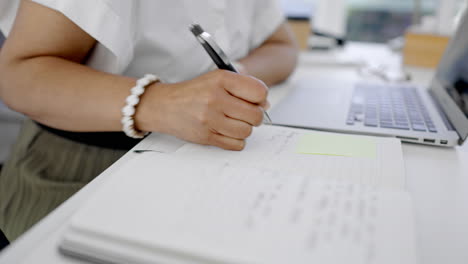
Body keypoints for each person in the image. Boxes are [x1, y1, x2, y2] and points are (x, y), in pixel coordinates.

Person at [0, 0, 298, 241]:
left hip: (199, 165)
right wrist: (161, 103)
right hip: (79, 170)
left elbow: (283, 46)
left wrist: (231, 80)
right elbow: (19, 75)